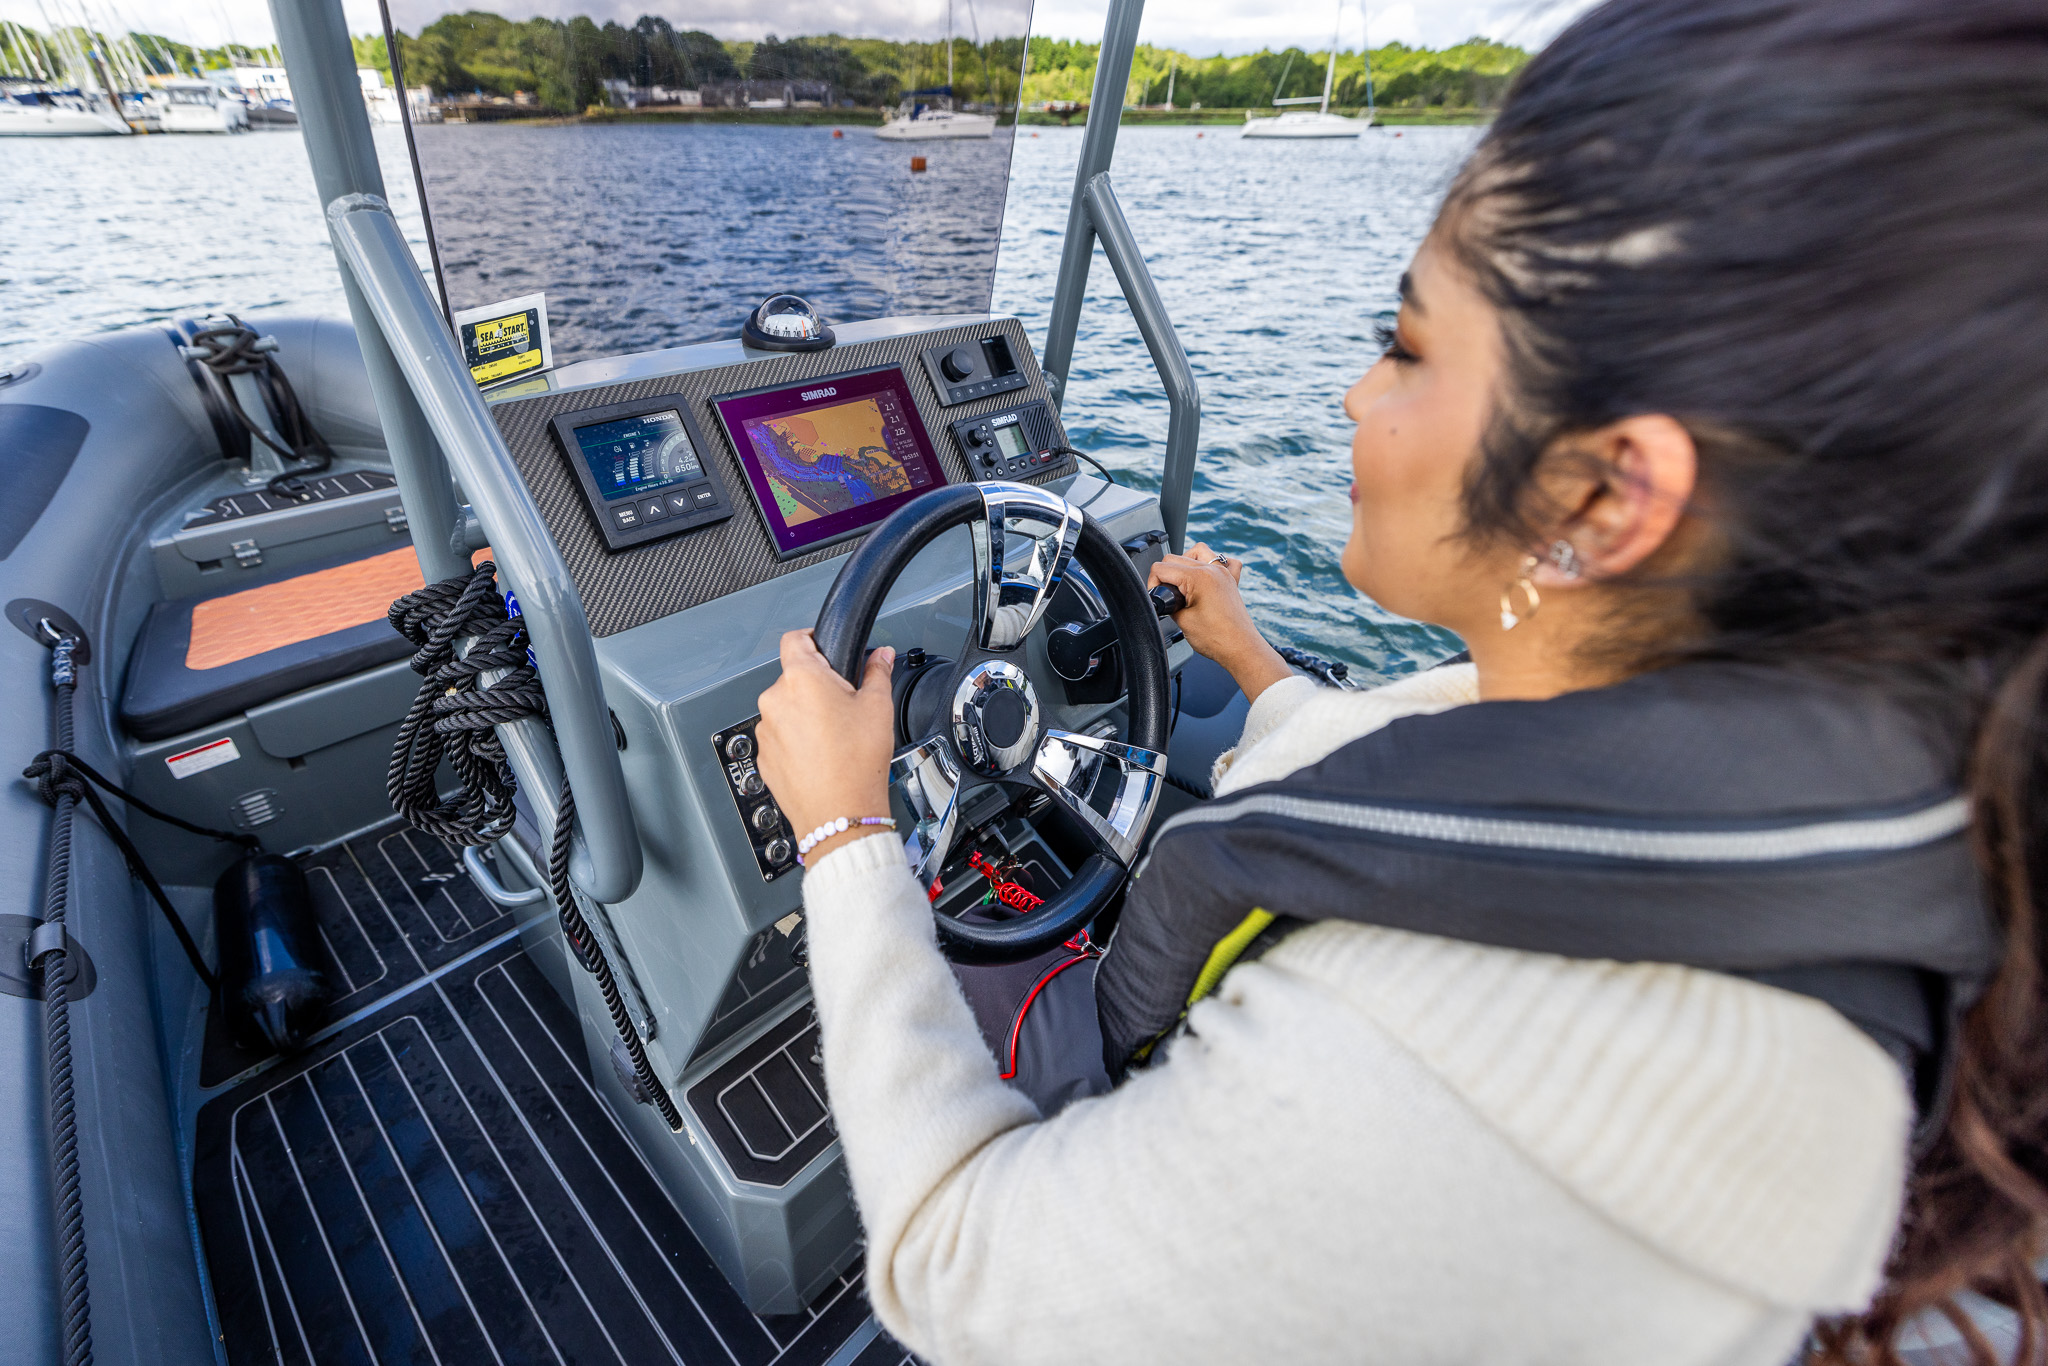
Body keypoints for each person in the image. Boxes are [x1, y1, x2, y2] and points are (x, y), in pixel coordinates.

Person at [754, 0, 2048, 1360]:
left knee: (936, 944)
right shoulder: (1751, 759)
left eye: (1410, 347)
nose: (1361, 398)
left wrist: (845, 831)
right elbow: (1430, 783)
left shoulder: (1415, 1087)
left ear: (1607, 492)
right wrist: (1259, 668)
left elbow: (951, 1264)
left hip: (1130, 1100)